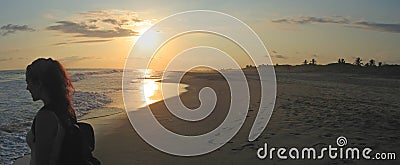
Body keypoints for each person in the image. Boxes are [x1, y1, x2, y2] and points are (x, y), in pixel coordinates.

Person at [25, 58, 76, 165]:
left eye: (28, 82)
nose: (27, 88)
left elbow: (42, 162)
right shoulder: (66, 110)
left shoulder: (46, 117)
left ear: (39, 83)